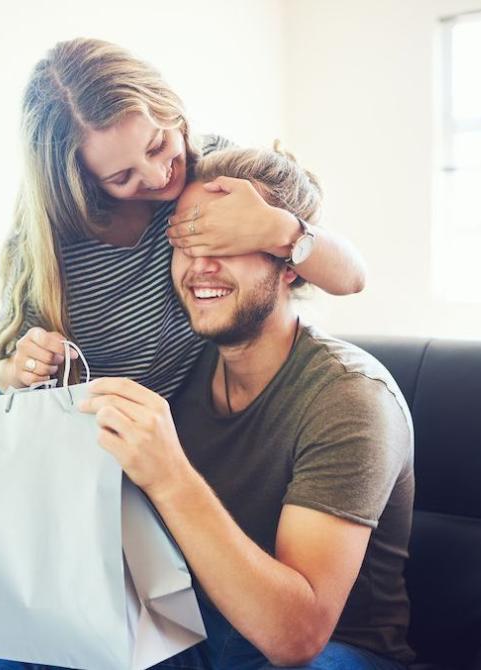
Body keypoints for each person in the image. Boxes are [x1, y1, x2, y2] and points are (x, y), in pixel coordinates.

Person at [0, 37, 370, 669]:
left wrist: (279, 231)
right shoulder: (44, 238)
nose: (157, 179)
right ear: (78, 182)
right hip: (61, 482)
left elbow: (351, 276)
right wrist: (20, 365)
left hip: (149, 491)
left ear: (169, 110)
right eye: (120, 176)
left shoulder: (210, 173)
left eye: (156, 146)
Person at [75, 144, 415, 669]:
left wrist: (169, 476)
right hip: (197, 627)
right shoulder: (179, 369)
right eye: (187, 241)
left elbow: (295, 637)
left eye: (226, 242)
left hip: (331, 651)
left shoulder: (350, 396)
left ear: (292, 267)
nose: (201, 265)